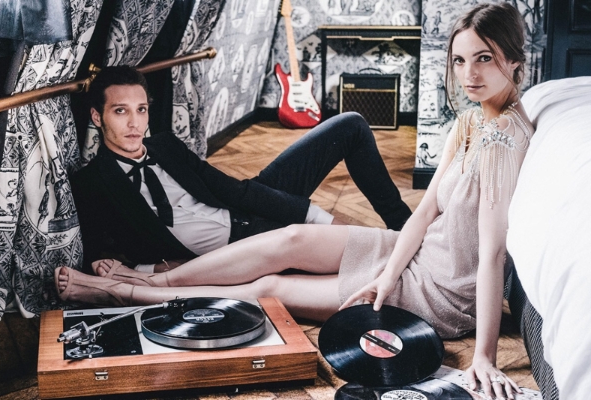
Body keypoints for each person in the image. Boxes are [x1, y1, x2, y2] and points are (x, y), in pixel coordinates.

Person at [58, 3, 532, 399]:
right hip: (415, 254)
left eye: (483, 59)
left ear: (513, 59)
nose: (469, 74)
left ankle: (129, 293)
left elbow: (491, 255)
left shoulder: (505, 139)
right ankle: (160, 281)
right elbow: (426, 213)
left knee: (274, 287)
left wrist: (485, 356)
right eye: (459, 60)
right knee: (292, 237)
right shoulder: (470, 122)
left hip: (441, 289)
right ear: (98, 118)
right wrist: (385, 278)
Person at [71, 65, 412, 273]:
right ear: (97, 117)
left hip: (242, 207)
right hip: (239, 251)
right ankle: (404, 249)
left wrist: (317, 216)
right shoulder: (93, 183)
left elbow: (231, 189)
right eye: (120, 112)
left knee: (349, 125)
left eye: (141, 109)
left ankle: (408, 228)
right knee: (356, 251)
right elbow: (97, 262)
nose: (134, 123)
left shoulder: (165, 145)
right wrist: (159, 268)